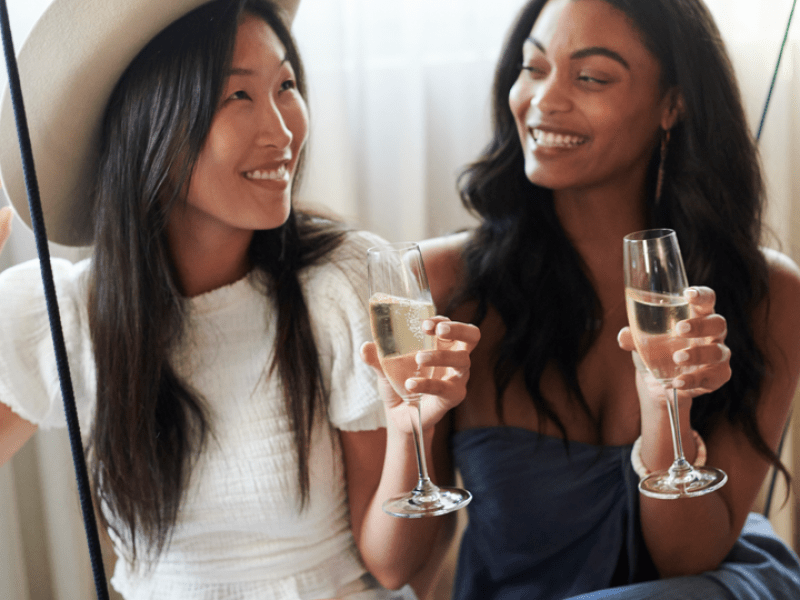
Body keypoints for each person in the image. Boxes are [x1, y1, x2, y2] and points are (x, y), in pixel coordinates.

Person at [0, 1, 479, 598]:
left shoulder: (342, 279)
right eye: (238, 97)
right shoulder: (66, 313)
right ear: (152, 125)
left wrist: (413, 433)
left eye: (285, 86)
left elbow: (392, 566)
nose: (282, 132)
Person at [386, 0, 800, 598]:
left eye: (591, 77)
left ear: (673, 104)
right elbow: (398, 567)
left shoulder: (767, 295)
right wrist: (409, 431)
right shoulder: (440, 281)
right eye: (533, 68)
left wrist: (666, 408)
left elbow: (688, 559)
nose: (545, 99)